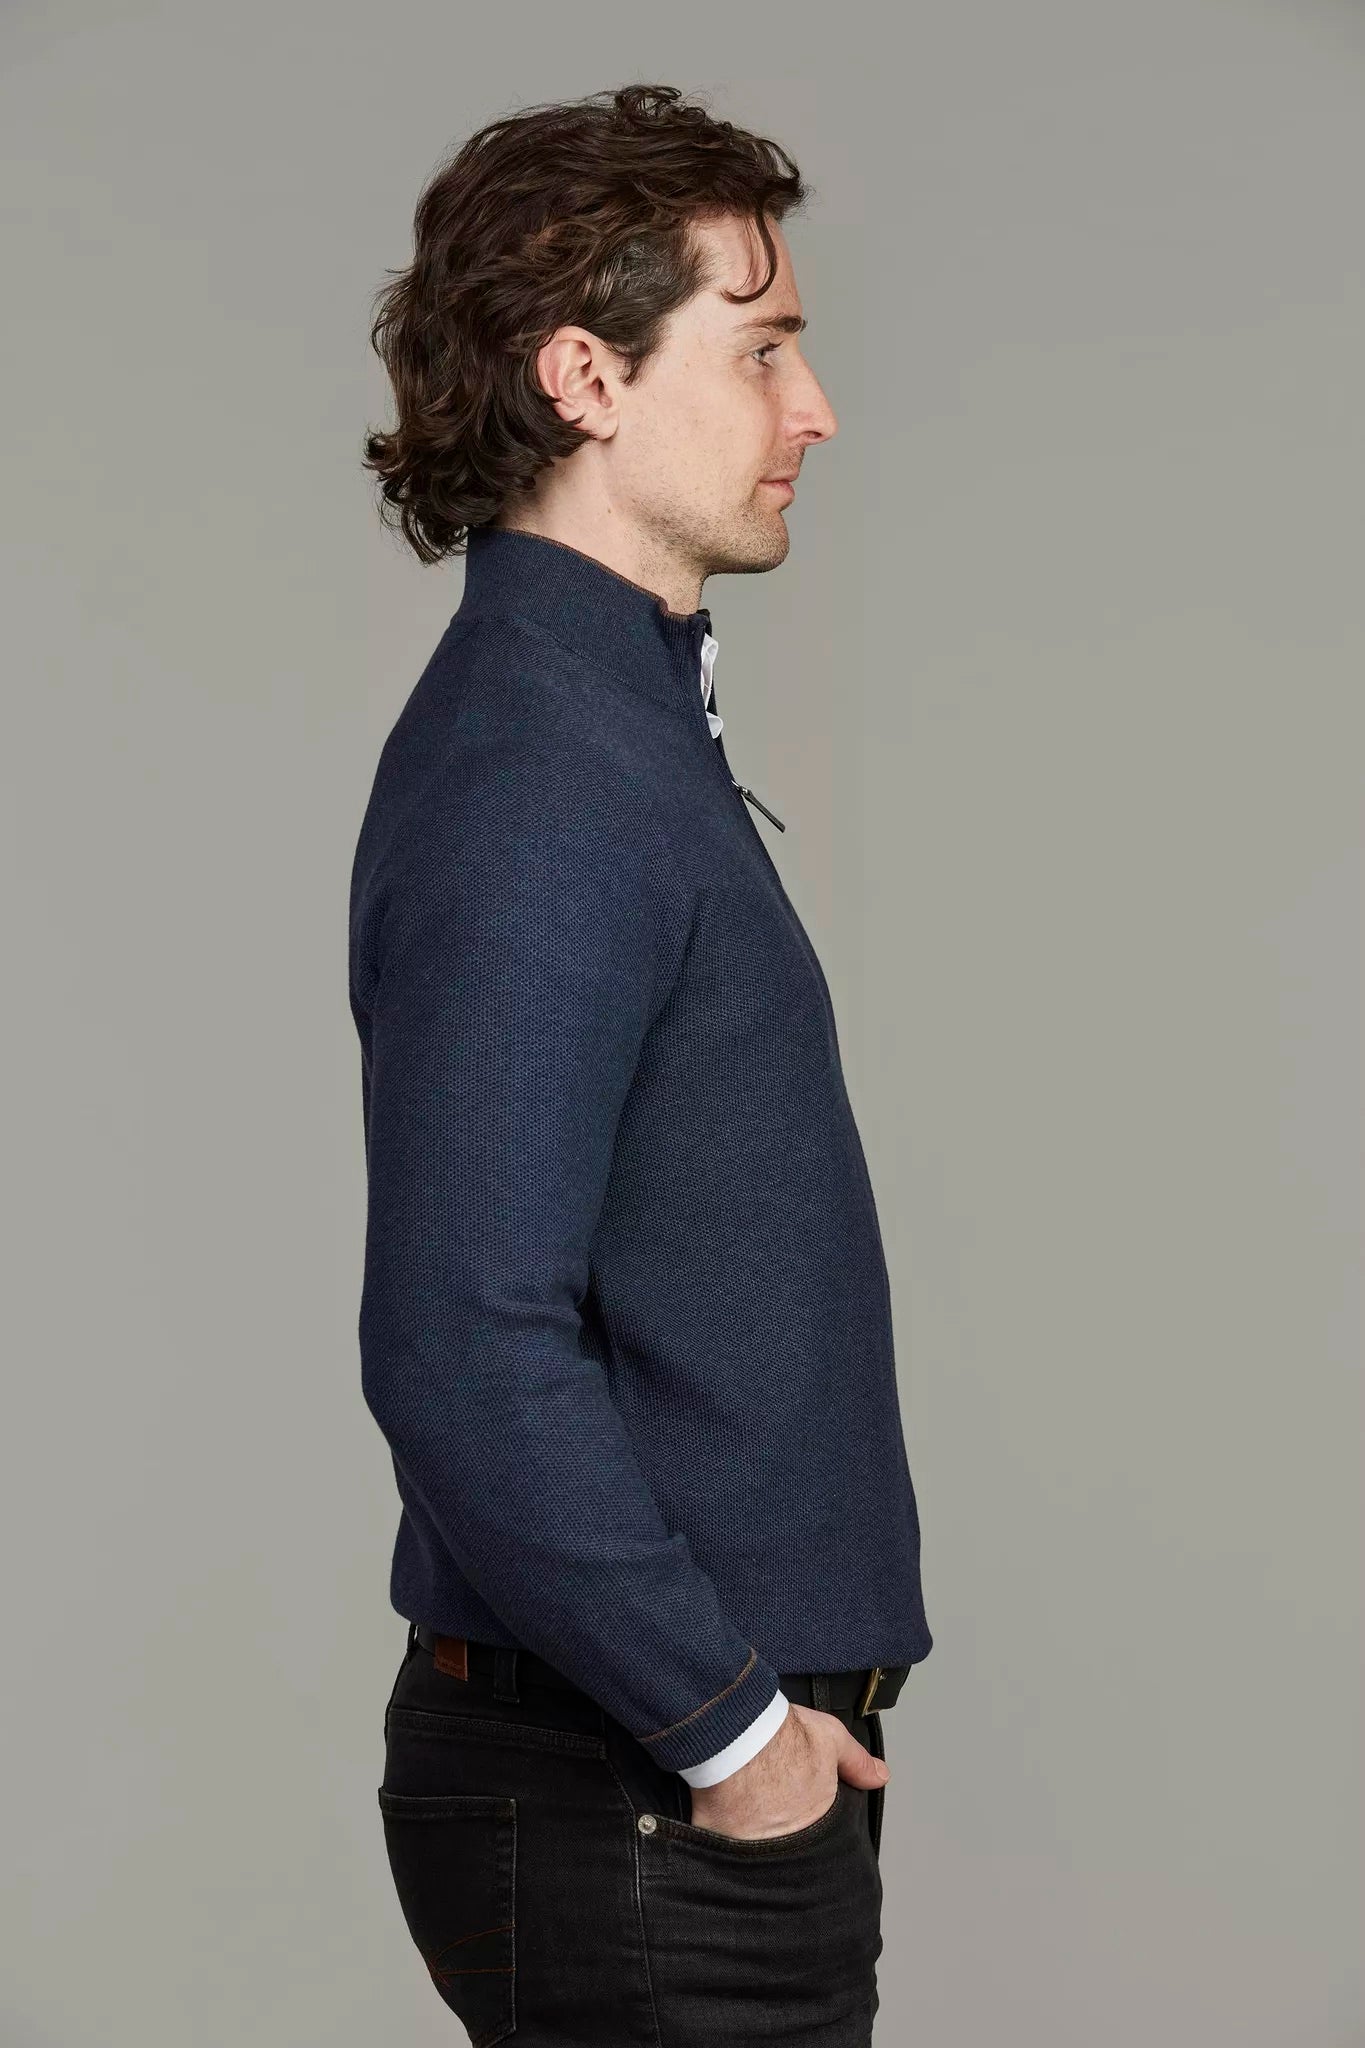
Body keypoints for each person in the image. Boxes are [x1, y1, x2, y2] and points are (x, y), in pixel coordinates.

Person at [350, 81, 932, 2046]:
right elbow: (459, 1338)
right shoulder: (544, 772)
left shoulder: (607, 725)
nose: (812, 409)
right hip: (641, 1788)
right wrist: (732, 1736)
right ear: (583, 375)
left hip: (656, 1780)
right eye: (759, 347)